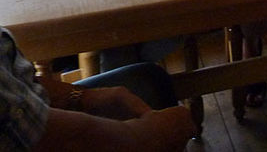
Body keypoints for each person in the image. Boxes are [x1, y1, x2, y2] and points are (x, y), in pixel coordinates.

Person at [1, 26, 195, 151]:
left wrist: (81, 96)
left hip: (34, 113)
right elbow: (40, 137)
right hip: (33, 137)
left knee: (148, 81)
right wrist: (144, 136)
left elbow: (17, 82)